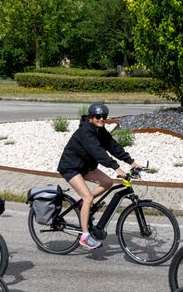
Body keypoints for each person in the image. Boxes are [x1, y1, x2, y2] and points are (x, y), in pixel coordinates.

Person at [56, 102, 141, 250]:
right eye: (98, 116)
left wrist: (132, 162)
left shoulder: (100, 130)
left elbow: (113, 146)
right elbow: (98, 153)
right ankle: (85, 236)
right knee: (88, 197)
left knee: (108, 183)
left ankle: (84, 205)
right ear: (90, 117)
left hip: (85, 167)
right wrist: (117, 168)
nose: (101, 119)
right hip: (71, 167)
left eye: (104, 116)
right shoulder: (85, 132)